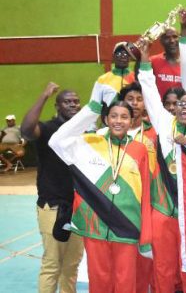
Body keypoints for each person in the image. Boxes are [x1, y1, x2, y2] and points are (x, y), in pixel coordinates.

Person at [137, 38, 186, 293]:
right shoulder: (164, 123)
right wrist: (144, 58)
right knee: (163, 266)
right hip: (163, 207)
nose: (184, 107)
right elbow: (149, 90)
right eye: (182, 103)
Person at [49, 97, 152, 293]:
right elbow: (56, 141)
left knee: (125, 281)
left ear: (131, 121)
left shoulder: (140, 149)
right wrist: (91, 109)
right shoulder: (89, 143)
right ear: (105, 119)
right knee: (99, 281)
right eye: (113, 116)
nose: (118, 121)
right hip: (94, 224)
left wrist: (146, 233)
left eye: (124, 117)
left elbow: (146, 192)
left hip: (127, 226)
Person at [20, 83, 84, 293]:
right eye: (67, 101)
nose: (73, 105)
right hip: (53, 206)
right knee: (52, 264)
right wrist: (44, 95)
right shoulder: (48, 129)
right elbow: (27, 130)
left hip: (79, 208)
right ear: (57, 106)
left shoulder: (84, 131)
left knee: (71, 265)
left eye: (76, 101)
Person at [117, 83, 160, 293]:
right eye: (130, 98)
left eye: (139, 99)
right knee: (122, 262)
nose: (134, 103)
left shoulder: (155, 132)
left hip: (148, 203)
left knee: (145, 260)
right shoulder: (109, 133)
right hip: (121, 204)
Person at [150, 25, 182, 96]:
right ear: (161, 41)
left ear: (180, 39)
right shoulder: (152, 62)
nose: (172, 41)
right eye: (167, 38)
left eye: (175, 37)